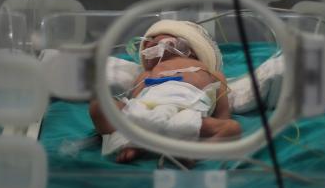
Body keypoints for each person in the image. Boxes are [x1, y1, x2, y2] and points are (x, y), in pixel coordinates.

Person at [90, 20, 241, 163]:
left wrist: (222, 121)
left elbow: (222, 110)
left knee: (232, 128)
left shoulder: (209, 71)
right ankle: (133, 143)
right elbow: (134, 100)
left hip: (185, 115)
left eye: (155, 40)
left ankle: (193, 152)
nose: (148, 44)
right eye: (146, 47)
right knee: (98, 106)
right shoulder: (145, 74)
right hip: (144, 113)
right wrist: (130, 118)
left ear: (187, 47)